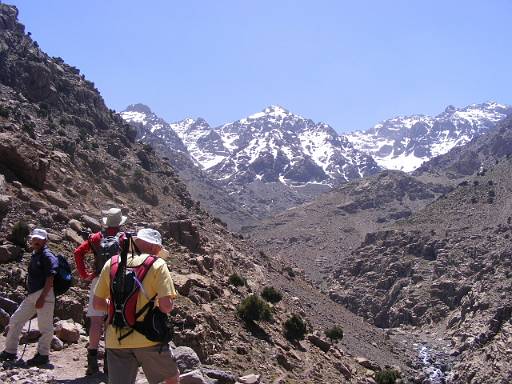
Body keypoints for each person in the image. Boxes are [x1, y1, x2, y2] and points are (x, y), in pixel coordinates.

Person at [93, 228, 179, 384]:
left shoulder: (111, 263)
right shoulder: (158, 264)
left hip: (116, 339)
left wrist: (121, 311)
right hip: (149, 338)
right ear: (155, 247)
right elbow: (167, 306)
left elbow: (98, 304)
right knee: (171, 377)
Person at [74, 207, 127, 375]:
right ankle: (108, 365)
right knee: (111, 321)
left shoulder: (97, 238)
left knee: (96, 321)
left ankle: (92, 361)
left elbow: (78, 252)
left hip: (98, 280)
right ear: (119, 223)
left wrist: (85, 275)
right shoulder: (123, 238)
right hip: (117, 282)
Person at [0, 228, 58, 366]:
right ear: (31, 239)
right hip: (33, 295)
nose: (36, 241)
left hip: (44, 294)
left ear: (45, 240)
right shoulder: (35, 254)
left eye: (39, 239)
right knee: (15, 320)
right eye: (34, 238)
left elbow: (51, 278)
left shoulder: (47, 255)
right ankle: (10, 351)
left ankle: (43, 355)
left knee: (45, 327)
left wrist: (42, 297)